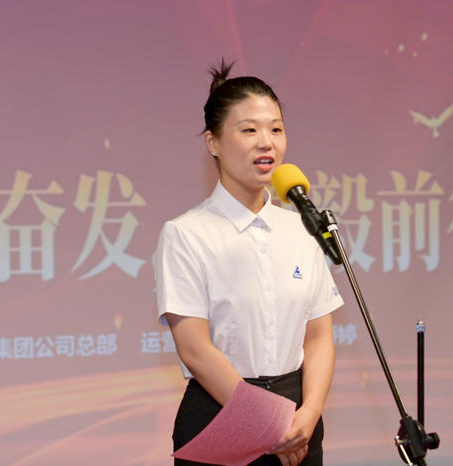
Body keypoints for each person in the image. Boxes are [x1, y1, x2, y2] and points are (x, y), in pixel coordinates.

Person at [153, 59, 344, 466]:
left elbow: (318, 337)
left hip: (300, 424)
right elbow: (195, 349)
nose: (266, 143)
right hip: (221, 414)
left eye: (276, 129)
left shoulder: (302, 228)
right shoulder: (186, 234)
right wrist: (270, 424)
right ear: (213, 142)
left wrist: (309, 415)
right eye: (249, 130)